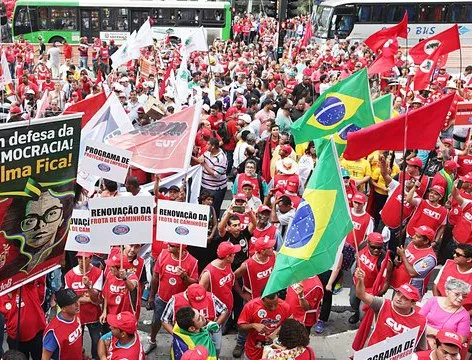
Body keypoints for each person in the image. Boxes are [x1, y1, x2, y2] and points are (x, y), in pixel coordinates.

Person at [0, 188, 74, 279]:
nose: (41, 225)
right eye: (30, 221)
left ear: (62, 218)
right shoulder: (10, 268)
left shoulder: (55, 256)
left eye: (51, 213)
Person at [354, 268, 427, 350]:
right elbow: (361, 295)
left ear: (413, 304)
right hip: (374, 352)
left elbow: (421, 349)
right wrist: (360, 280)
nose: (399, 298)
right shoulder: (383, 304)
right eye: (398, 294)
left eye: (405, 298)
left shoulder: (420, 321)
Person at [145, 243, 198, 354]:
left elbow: (194, 283)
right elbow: (155, 277)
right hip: (162, 298)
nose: (168, 246)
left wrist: (184, 277)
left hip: (180, 303)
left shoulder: (192, 261)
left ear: (180, 248)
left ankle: (178, 345)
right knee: (156, 321)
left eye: (172, 245)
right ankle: (152, 341)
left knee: (179, 326)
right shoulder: (163, 254)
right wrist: (151, 297)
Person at [161, 284, 228, 355]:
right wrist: (177, 336)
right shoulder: (175, 300)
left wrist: (216, 324)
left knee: (216, 348)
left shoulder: (211, 297)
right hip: (186, 336)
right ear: (187, 295)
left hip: (210, 331)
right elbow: (165, 320)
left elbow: (224, 310)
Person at [64, 252, 102, 359]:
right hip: (76, 316)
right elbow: (69, 299)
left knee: (96, 340)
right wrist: (88, 299)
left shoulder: (98, 273)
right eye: (79, 258)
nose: (81, 260)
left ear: (91, 258)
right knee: (77, 343)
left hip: (93, 316)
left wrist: (89, 286)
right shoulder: (69, 275)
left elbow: (97, 298)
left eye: (84, 258)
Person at [349, 232, 392, 324]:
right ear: (367, 243)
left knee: (363, 313)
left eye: (379, 247)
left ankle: (363, 328)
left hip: (370, 290)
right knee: (353, 302)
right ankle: (356, 314)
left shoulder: (385, 261)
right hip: (357, 283)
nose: (376, 250)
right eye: (373, 247)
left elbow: (387, 282)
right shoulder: (362, 245)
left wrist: (376, 295)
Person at [0, 278, 46, 360]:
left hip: (37, 336)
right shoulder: (3, 295)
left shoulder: (29, 286)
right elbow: (6, 310)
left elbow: (36, 276)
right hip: (16, 340)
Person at [238, 292, 292, 360]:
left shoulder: (285, 307)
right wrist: (253, 325)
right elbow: (240, 326)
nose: (273, 308)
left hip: (275, 353)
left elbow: (290, 325)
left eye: (275, 304)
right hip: (253, 352)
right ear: (262, 299)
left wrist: (277, 332)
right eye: (269, 305)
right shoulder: (251, 306)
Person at [418, 278, 470, 347]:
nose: (461, 298)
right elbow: (418, 319)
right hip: (423, 337)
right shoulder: (433, 301)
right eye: (457, 294)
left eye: (464, 296)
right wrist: (427, 337)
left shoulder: (464, 315)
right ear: (447, 292)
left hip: (445, 345)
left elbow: (461, 339)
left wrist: (435, 333)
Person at [390, 225, 437, 298]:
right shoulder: (412, 244)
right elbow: (405, 257)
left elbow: (413, 273)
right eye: (415, 234)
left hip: (410, 290)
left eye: (418, 236)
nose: (413, 237)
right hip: (398, 284)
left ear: (426, 241)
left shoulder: (429, 258)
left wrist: (402, 255)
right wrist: (397, 259)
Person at [42, 289, 83, 360]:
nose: (77, 304)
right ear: (63, 309)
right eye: (72, 303)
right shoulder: (54, 331)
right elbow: (45, 357)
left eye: (77, 300)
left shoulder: (76, 314)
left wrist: (83, 353)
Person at [433, 243, 472, 311]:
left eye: (458, 254)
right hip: (441, 307)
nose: (454, 255)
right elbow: (435, 286)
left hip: (463, 314)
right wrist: (439, 306)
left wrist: (462, 316)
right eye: (454, 252)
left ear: (469, 260)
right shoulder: (448, 264)